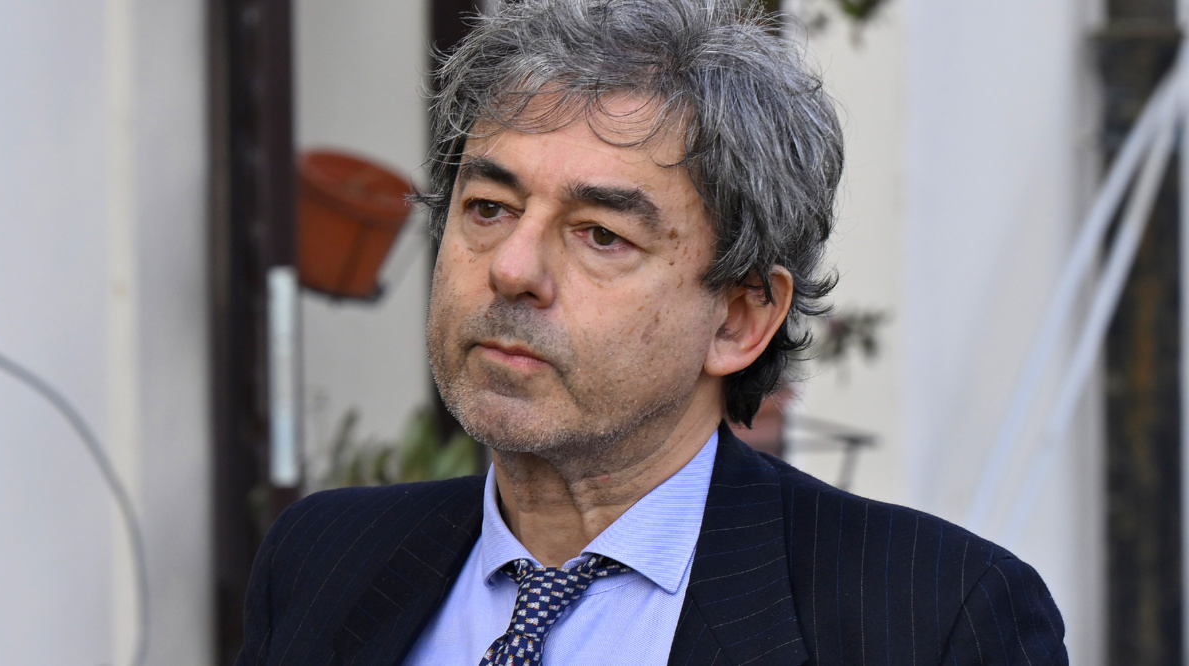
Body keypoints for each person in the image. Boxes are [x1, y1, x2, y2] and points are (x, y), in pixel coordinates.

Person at [236, 0, 1067, 664]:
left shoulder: (931, 617)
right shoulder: (324, 560)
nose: (512, 267)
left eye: (601, 234)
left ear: (741, 318)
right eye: (489, 208)